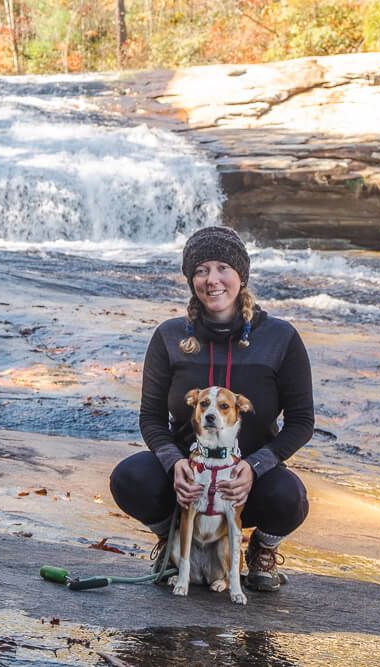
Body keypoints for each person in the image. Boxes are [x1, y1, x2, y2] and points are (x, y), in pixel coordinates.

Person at [109, 225, 314, 592]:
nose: (212, 280)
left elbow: (302, 423)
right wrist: (175, 464)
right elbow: (151, 418)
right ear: (191, 280)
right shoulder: (170, 337)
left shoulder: (280, 338)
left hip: (248, 486)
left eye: (222, 268)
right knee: (130, 478)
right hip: (189, 481)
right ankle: (173, 539)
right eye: (201, 270)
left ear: (241, 276)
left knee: (291, 498)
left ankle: (261, 551)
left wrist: (255, 467)